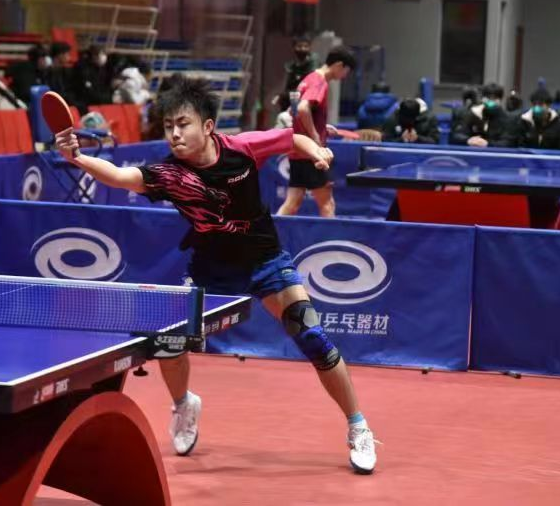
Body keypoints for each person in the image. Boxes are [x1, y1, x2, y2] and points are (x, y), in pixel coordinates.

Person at [53, 76, 379, 474]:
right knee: (171, 343)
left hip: (265, 261)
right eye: (169, 126)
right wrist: (77, 158)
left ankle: (358, 425)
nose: (174, 134)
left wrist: (316, 150)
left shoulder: (240, 148)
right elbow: (123, 177)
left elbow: (291, 138)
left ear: (207, 126)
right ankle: (183, 405)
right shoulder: (169, 174)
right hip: (210, 270)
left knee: (311, 335)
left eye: (183, 124)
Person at [277, 46, 357, 218]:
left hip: (297, 150)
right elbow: (303, 108)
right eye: (346, 71)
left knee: (292, 204)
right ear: (339, 65)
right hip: (311, 154)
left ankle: (270, 233)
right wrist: (315, 136)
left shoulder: (308, 78)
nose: (345, 76)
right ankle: (330, 236)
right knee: (328, 204)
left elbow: (293, 111)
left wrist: (322, 127)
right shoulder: (320, 81)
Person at [450, 84, 518, 148]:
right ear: (482, 99)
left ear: (500, 100)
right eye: (488, 98)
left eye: (495, 98)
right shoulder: (470, 114)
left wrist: (488, 144)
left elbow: (508, 142)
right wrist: (468, 140)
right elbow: (456, 136)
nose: (491, 102)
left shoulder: (508, 119)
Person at [72, 44, 112, 108]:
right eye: (102, 54)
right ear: (93, 56)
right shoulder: (82, 67)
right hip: (84, 101)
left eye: (105, 54)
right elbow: (86, 88)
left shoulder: (104, 68)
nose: (104, 57)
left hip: (99, 100)